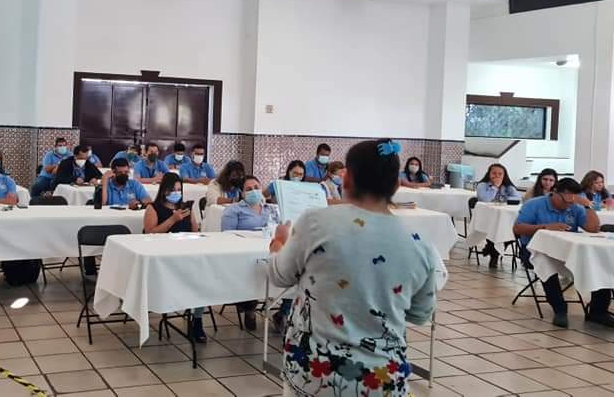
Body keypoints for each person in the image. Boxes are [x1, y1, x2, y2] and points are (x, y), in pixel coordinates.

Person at [267, 139, 438, 396]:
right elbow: (421, 313)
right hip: (383, 379)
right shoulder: (420, 244)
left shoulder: (316, 222)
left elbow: (279, 275)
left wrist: (279, 243)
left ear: (346, 180)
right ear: (396, 185)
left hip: (315, 375)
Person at [513, 178, 613, 328]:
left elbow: (593, 229)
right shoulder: (534, 204)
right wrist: (545, 227)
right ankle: (560, 309)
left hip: (567, 252)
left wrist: (586, 206)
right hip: (534, 250)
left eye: (572, 200)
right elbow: (517, 228)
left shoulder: (575, 207)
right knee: (546, 263)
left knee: (599, 261)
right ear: (555, 192)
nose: (568, 204)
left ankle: (598, 311)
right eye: (565, 199)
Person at [143, 173, 208, 343]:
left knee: (203, 277)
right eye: (173, 190)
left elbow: (195, 231)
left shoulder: (185, 208)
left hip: (186, 254)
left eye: (179, 190)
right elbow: (149, 234)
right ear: (164, 190)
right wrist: (172, 220)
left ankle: (197, 319)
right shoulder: (153, 208)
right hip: (163, 259)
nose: (176, 193)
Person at [221, 176, 280, 331]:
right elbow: (226, 237)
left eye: (256, 187)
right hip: (244, 257)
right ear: (242, 193)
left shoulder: (271, 209)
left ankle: (283, 312)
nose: (254, 191)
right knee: (251, 270)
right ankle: (249, 308)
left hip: (269, 252)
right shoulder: (233, 210)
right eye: (248, 189)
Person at [475, 163, 522, 267]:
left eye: (500, 174)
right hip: (488, 218)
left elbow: (517, 199)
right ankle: (494, 252)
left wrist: (507, 198)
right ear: (489, 174)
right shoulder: (482, 185)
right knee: (496, 228)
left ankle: (492, 250)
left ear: (504, 175)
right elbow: (485, 199)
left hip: (505, 218)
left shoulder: (508, 186)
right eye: (494, 173)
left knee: (512, 231)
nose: (497, 176)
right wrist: (495, 187)